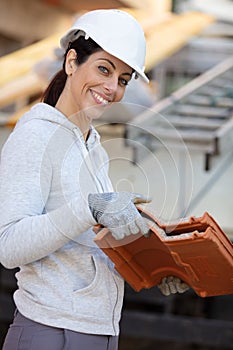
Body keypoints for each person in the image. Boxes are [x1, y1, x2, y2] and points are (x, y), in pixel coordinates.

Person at [0, 9, 189, 350]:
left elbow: (92, 244)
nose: (112, 88)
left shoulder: (92, 145)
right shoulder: (35, 136)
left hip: (94, 330)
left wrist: (156, 267)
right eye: (104, 68)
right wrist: (89, 208)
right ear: (71, 62)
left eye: (123, 79)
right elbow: (9, 245)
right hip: (52, 332)